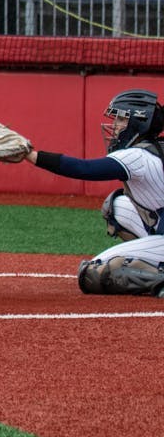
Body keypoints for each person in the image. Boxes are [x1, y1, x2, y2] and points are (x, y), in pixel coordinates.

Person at [18, 89, 164, 296]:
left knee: (93, 272)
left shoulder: (137, 155)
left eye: (122, 119)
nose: (115, 125)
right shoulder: (154, 148)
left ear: (139, 122)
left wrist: (30, 155)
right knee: (116, 206)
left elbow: (83, 169)